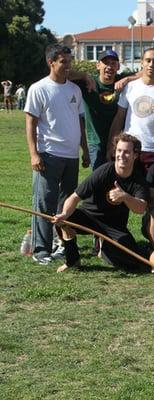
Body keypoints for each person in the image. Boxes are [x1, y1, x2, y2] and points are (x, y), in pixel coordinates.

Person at [24, 44, 90, 265]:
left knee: (66, 204)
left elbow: (80, 122)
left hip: (71, 156)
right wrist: (34, 154)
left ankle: (63, 243)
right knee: (45, 202)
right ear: (51, 62)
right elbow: (30, 123)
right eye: (63, 62)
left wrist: (85, 150)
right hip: (48, 154)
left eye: (69, 61)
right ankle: (41, 249)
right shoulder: (38, 89)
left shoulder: (74, 90)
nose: (68, 66)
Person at [54, 134, 149, 272]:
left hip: (114, 226)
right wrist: (64, 214)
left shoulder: (138, 180)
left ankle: (104, 250)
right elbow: (74, 197)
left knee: (133, 263)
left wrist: (125, 197)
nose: (122, 155)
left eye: (127, 152)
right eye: (119, 151)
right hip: (90, 216)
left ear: (135, 155)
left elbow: (141, 208)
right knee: (64, 219)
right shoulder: (104, 171)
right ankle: (72, 260)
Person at [108, 48, 154, 171]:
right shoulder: (130, 87)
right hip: (130, 149)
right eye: (148, 60)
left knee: (153, 190)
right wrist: (111, 145)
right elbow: (119, 118)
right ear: (142, 62)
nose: (151, 64)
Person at [71, 50, 139, 169]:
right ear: (98, 65)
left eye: (113, 63)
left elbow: (146, 73)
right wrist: (84, 75)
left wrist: (127, 79)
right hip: (96, 141)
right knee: (99, 176)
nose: (109, 67)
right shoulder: (89, 82)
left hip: (118, 140)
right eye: (105, 63)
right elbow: (63, 73)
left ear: (118, 66)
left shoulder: (122, 80)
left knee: (118, 175)